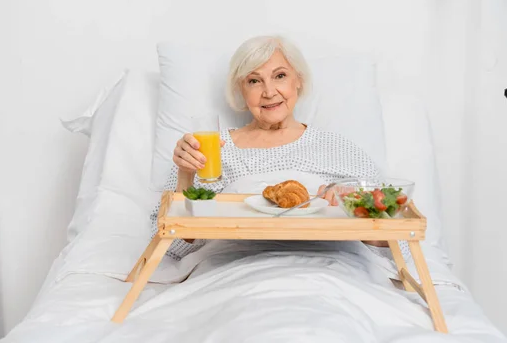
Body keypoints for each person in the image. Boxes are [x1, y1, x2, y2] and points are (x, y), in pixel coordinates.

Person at [150, 35, 407, 263]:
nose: (269, 92)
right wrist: (185, 175)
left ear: (298, 81)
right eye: (254, 81)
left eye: (280, 76)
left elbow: (396, 245)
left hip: (329, 272)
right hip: (233, 272)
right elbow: (170, 247)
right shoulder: (210, 151)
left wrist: (351, 208)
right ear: (242, 90)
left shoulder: (338, 148)